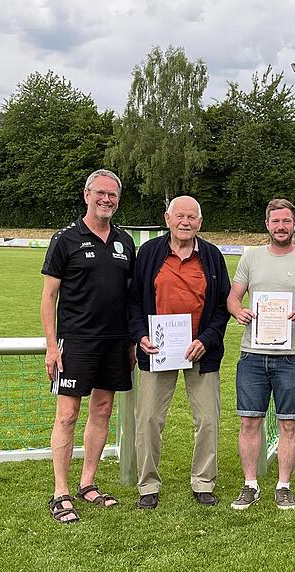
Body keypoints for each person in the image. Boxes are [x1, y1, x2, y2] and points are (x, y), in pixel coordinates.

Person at [41, 168, 136, 524]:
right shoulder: (65, 239)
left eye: (112, 195)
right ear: (87, 195)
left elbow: (129, 297)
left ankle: (88, 482)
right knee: (67, 415)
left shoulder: (125, 242)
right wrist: (52, 346)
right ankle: (60, 492)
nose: (106, 200)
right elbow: (48, 298)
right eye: (100, 193)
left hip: (114, 342)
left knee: (102, 411)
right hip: (76, 341)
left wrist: (129, 342)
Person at [227, 199, 295, 510]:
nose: (281, 226)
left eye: (286, 221)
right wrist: (238, 312)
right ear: (267, 224)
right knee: (249, 421)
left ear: (294, 224)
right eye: (276, 221)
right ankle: (251, 484)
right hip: (252, 355)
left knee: (288, 423)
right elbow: (233, 297)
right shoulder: (251, 258)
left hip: (291, 356)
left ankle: (283, 485)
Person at [128, 195, 230, 509]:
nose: (185, 222)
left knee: (208, 420)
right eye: (179, 216)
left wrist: (207, 340)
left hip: (200, 352)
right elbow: (133, 302)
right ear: (167, 219)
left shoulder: (212, 256)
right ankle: (148, 486)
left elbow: (222, 308)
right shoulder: (148, 253)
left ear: (200, 222)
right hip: (158, 351)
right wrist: (140, 336)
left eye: (192, 218)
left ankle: (203, 482)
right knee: (148, 420)